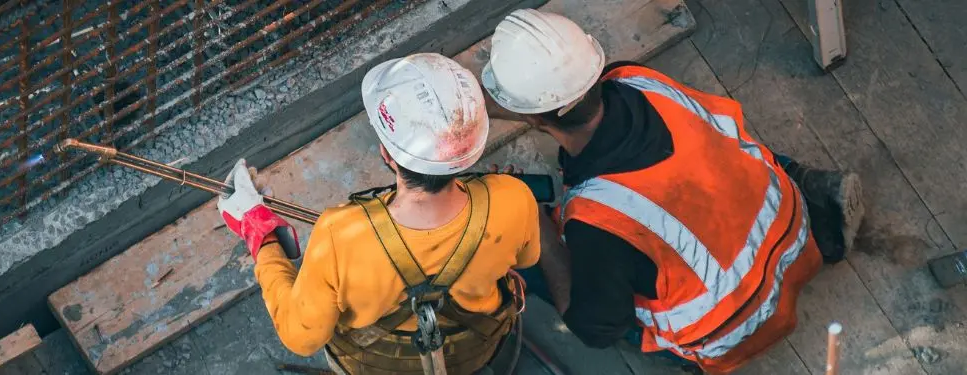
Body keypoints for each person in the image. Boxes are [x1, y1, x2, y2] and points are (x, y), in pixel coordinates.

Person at [471, 9, 866, 374]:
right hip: (791, 228)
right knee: (712, 140)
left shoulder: (597, 221)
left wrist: (538, 225)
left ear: (533, 116)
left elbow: (596, 329)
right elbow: (555, 105)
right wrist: (471, 103)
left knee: (522, 249)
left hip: (735, 326)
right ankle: (815, 190)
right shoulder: (634, 79)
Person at [216, 53, 543, 375]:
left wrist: (262, 237)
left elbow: (301, 337)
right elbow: (527, 260)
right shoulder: (512, 196)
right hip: (472, 355)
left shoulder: (340, 233)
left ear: (387, 154)